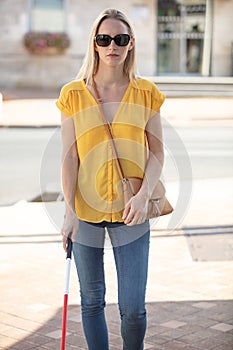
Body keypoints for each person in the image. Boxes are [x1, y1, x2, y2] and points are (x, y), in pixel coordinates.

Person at [56, 8, 165, 350]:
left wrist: (144, 195)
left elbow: (157, 153)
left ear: (130, 44)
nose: (112, 46)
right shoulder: (74, 94)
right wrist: (69, 212)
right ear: (95, 45)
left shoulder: (146, 92)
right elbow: (69, 156)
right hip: (85, 211)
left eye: (120, 39)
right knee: (91, 302)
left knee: (132, 309)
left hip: (132, 210)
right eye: (104, 39)